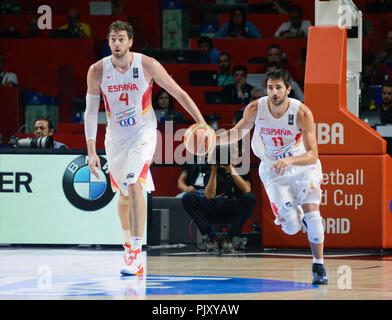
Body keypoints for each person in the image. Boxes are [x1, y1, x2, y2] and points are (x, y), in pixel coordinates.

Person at [84, 20, 208, 275]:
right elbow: (89, 113)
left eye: (121, 39)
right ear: (108, 42)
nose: (116, 43)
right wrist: (91, 150)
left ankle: (136, 253)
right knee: (124, 195)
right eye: (112, 39)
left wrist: (201, 121)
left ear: (130, 42)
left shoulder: (147, 64)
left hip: (143, 133)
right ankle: (128, 243)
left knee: (134, 183)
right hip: (115, 137)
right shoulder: (97, 70)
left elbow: (179, 93)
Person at [215, 69, 328, 285]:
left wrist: (291, 160)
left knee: (313, 215)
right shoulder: (256, 108)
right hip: (273, 169)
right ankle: (294, 213)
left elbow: (313, 154)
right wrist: (212, 141)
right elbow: (236, 133)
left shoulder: (302, 112)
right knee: (292, 228)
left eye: (278, 87)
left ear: (288, 89)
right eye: (270, 87)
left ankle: (318, 264)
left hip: (303, 165)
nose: (274, 92)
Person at [181, 142, 256, 253]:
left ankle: (230, 237)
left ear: (239, 152)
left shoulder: (242, 168)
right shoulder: (211, 167)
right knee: (188, 198)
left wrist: (231, 169)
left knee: (250, 198)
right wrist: (214, 170)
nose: (230, 153)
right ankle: (211, 236)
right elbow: (209, 195)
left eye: (233, 150)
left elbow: (247, 190)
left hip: (232, 204)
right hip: (213, 205)